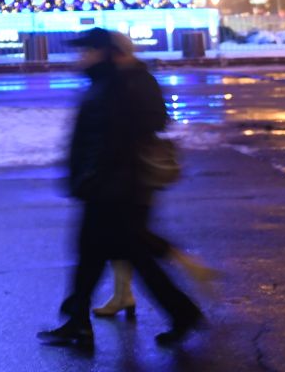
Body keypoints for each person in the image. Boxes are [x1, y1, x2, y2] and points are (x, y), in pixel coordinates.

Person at [38, 28, 203, 351]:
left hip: (115, 191)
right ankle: (78, 322)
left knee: (129, 256)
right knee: (91, 257)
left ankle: (182, 313)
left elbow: (115, 140)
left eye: (87, 51)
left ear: (107, 52)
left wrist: (91, 178)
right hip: (107, 188)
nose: (80, 57)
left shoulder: (123, 83)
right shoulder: (105, 82)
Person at [93, 34, 222, 320]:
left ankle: (186, 271)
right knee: (124, 237)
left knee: (132, 237)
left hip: (135, 170)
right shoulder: (126, 78)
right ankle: (124, 293)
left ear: (120, 54)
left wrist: (123, 130)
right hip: (126, 169)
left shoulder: (138, 80)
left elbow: (157, 119)